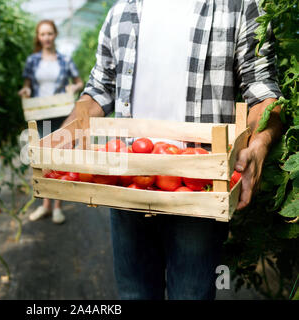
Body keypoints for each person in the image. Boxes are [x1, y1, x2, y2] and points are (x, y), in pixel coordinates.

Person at [60, 0, 283, 299]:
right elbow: (98, 90)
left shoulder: (237, 7)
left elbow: (264, 92)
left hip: (197, 189)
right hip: (128, 184)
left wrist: (260, 142)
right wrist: (66, 131)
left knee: (192, 294)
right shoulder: (121, 12)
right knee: (134, 295)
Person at [19, 20, 84, 224]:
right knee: (44, 159)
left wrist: (73, 89)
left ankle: (57, 207)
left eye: (49, 33)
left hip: (62, 113)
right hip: (40, 114)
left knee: (59, 157)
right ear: (38, 37)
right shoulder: (32, 61)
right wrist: (26, 91)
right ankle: (46, 205)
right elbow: (28, 86)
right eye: (42, 34)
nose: (46, 37)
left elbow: (79, 82)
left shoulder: (65, 60)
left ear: (55, 35)